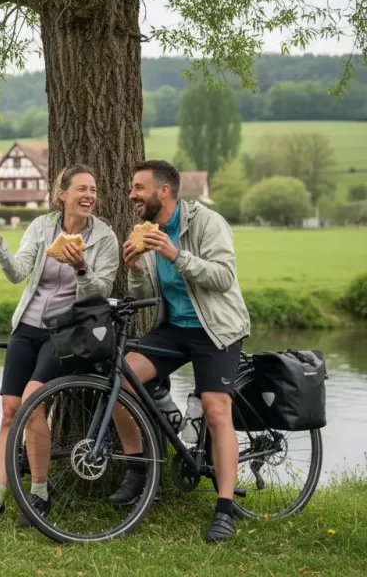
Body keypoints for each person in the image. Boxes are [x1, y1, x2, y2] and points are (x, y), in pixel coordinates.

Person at [0, 164, 120, 525]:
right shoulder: (41, 227)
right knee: (10, 410)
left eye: (93, 190)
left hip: (65, 333)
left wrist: (81, 268)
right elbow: (17, 273)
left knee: (33, 403)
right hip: (26, 327)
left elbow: (100, 294)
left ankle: (39, 495)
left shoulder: (104, 238)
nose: (89, 196)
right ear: (62, 194)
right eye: (81, 189)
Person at [113, 159, 251, 543]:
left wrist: (176, 255)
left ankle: (224, 509)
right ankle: (139, 467)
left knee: (216, 409)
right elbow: (147, 294)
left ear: (164, 191)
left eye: (138, 188)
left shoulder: (206, 222)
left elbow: (223, 277)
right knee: (121, 378)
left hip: (216, 329)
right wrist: (136, 268)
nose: (131, 195)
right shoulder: (148, 232)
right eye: (132, 188)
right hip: (174, 329)